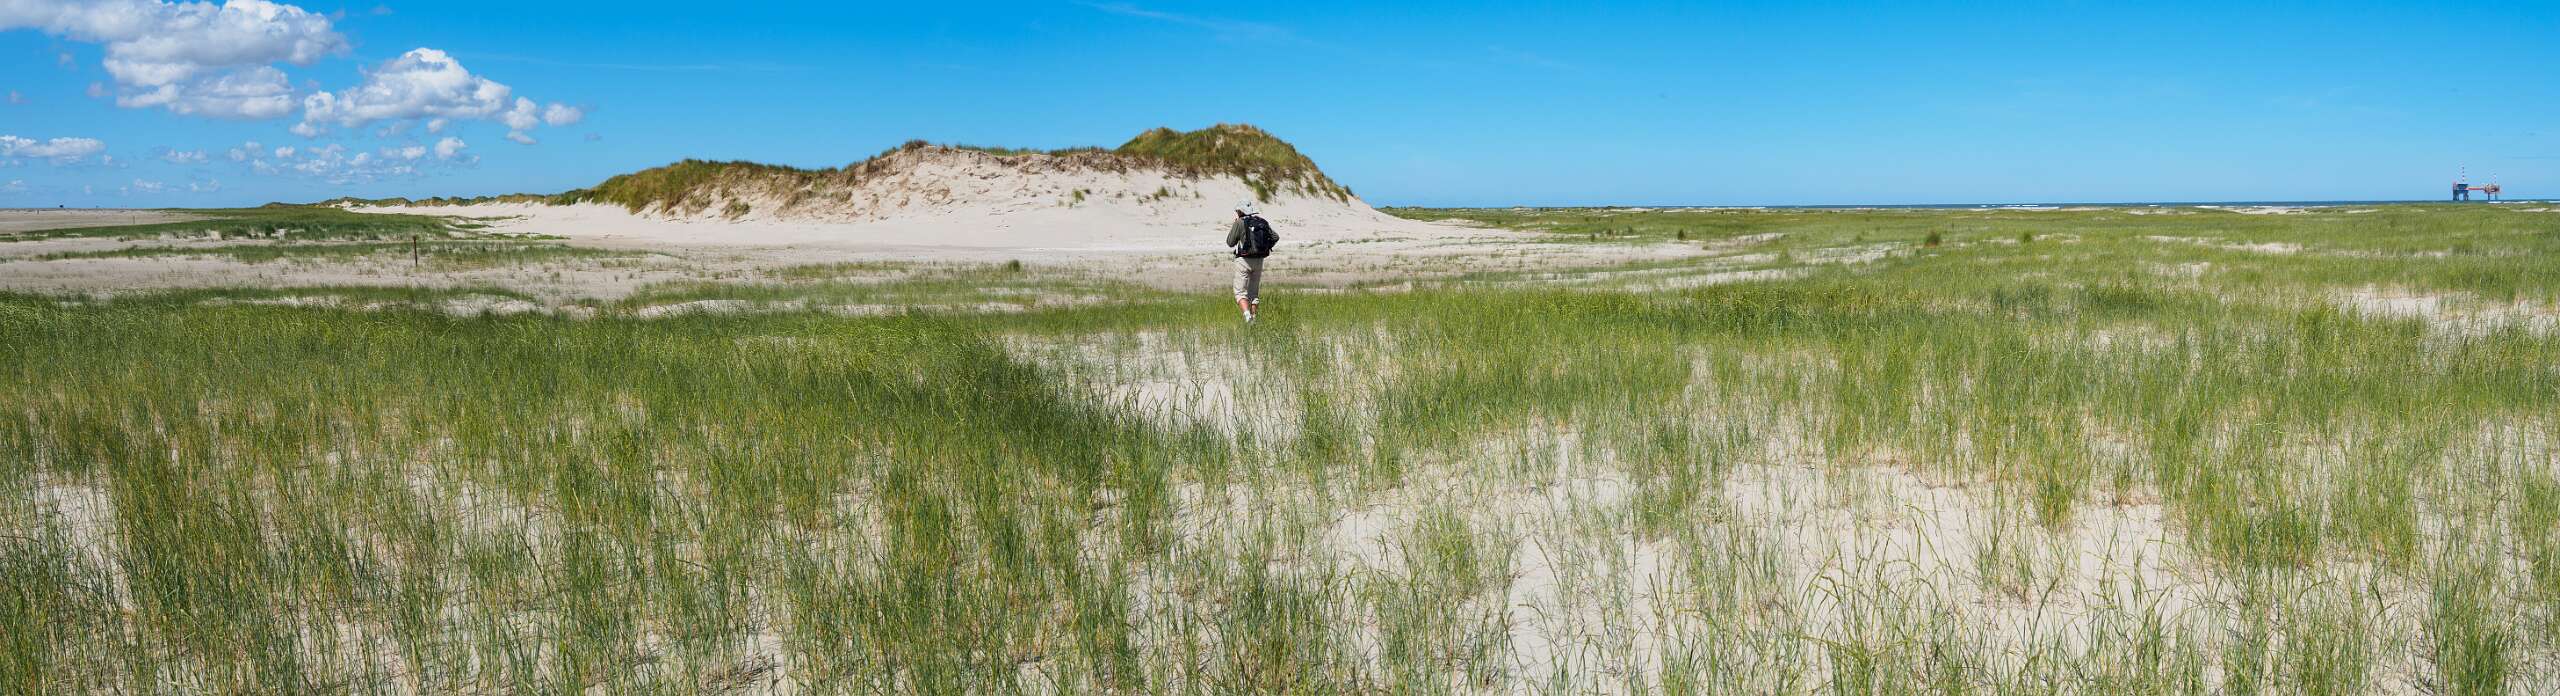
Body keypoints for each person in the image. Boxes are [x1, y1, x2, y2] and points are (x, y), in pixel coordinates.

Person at [1225, 200, 1274, 322]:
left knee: (1240, 292)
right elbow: (1275, 237)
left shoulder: (1240, 222)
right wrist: (1265, 247)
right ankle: (1254, 318)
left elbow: (1230, 242)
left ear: (1240, 211)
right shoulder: (1261, 222)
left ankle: (1247, 317)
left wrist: (1235, 225)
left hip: (1243, 260)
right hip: (1259, 260)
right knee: (1253, 293)